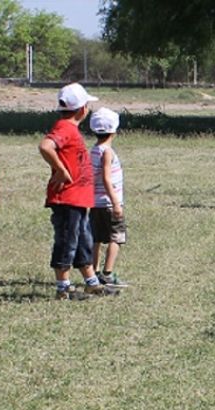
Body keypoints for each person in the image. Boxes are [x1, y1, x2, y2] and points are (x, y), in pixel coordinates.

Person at [38, 83, 119, 300]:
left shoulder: (70, 129)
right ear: (83, 109)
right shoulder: (65, 127)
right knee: (66, 241)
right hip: (67, 198)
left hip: (79, 200)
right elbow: (46, 146)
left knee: (83, 240)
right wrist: (62, 170)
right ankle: (63, 289)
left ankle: (91, 283)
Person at [89, 107, 128, 288]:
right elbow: (106, 178)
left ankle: (94, 272)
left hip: (95, 203)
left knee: (96, 238)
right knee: (116, 237)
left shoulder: (94, 150)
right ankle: (108, 273)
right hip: (109, 203)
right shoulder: (107, 152)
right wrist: (116, 203)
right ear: (114, 130)